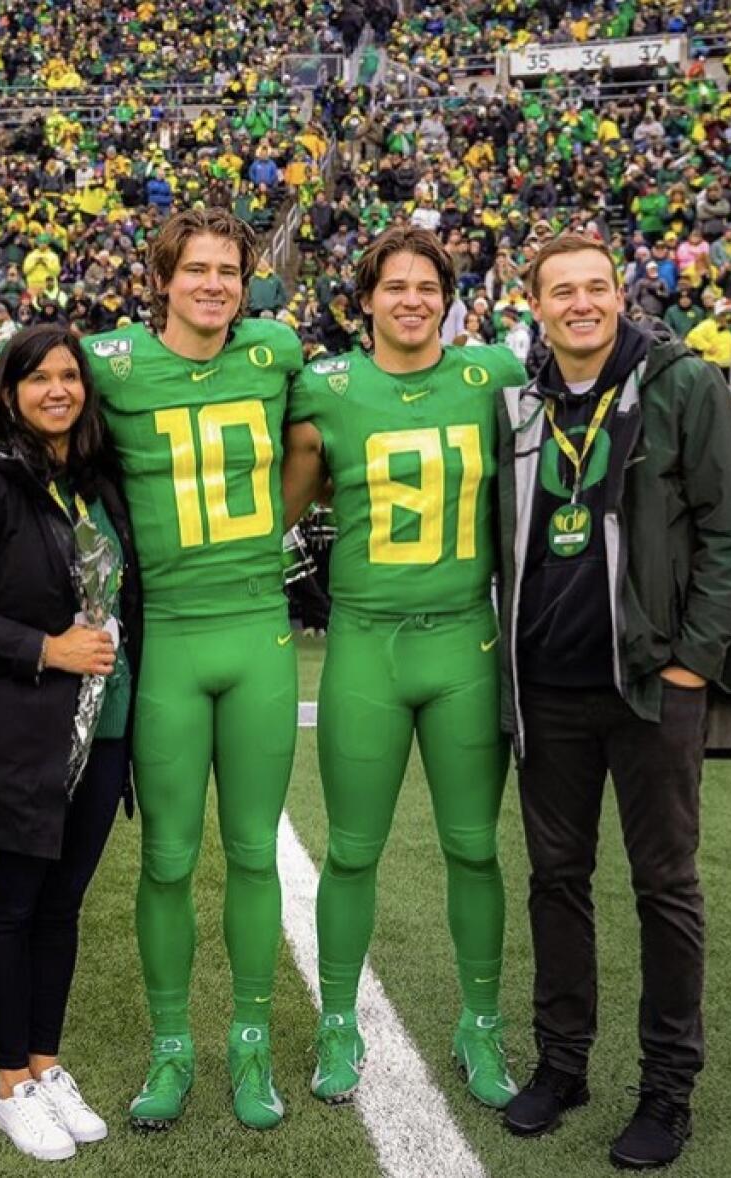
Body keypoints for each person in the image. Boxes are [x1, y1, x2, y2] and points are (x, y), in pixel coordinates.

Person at [496, 234, 731, 1169]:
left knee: (665, 888)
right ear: (535, 305)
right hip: (548, 692)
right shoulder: (521, 402)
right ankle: (562, 1065)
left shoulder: (684, 385)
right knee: (556, 884)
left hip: (652, 688)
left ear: (621, 294)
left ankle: (666, 1088)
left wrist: (693, 662)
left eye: (596, 287)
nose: (581, 303)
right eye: (561, 291)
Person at [282, 226, 527, 1109]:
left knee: (473, 848)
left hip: (465, 639)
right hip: (366, 642)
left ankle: (482, 1024)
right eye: (396, 286)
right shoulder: (328, 384)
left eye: (429, 285)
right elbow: (278, 490)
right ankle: (338, 1023)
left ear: (449, 298)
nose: (413, 299)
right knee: (351, 850)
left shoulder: (491, 375)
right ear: (368, 298)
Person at [83, 208, 303, 1132]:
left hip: (258, 628)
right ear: (162, 279)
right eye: (197, 269)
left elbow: (314, 448)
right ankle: (171, 1047)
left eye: (229, 270)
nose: (214, 284)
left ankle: (249, 1045)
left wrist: (274, 526)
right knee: (167, 859)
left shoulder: (276, 353)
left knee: (254, 854)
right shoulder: (109, 362)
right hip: (167, 631)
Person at [0, 325, 142, 1160]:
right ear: (8, 390)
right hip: (22, 727)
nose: (59, 390)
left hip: (105, 726)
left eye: (70, 376)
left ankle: (47, 1066)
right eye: (39, 377)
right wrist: (47, 649)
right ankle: (9, 1080)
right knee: (12, 906)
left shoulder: (91, 480)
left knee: (62, 907)